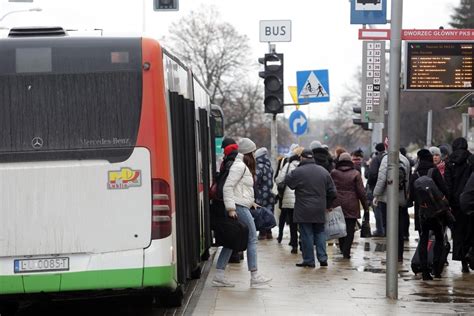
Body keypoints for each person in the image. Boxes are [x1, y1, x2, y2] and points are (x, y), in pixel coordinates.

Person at [212, 137, 271, 287]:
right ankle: (254, 275)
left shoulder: (240, 165)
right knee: (252, 238)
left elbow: (239, 189)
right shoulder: (240, 166)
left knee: (231, 241)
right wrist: (231, 208)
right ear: (248, 153)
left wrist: (250, 202)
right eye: (252, 152)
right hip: (238, 207)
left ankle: (219, 275)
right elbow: (228, 187)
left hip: (241, 205)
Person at [285, 149, 337, 268]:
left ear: (302, 158)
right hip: (319, 208)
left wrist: (298, 167)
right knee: (320, 233)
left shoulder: (298, 171)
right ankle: (323, 258)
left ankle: (309, 260)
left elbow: (288, 180)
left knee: (306, 234)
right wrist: (327, 205)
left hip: (303, 209)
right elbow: (333, 192)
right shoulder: (323, 171)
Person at [409, 149, 449, 280]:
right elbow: (444, 189)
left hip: (422, 213)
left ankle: (425, 272)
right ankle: (436, 269)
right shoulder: (434, 171)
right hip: (437, 212)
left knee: (423, 239)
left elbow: (411, 197)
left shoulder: (415, 174)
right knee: (439, 238)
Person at [373, 149, 410, 262]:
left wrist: (376, 194)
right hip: (400, 199)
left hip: (387, 199)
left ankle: (391, 255)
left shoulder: (386, 159)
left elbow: (382, 179)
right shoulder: (405, 160)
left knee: (389, 228)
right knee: (399, 229)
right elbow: (407, 181)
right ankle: (399, 255)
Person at [331, 152, 369, 259]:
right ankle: (346, 252)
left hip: (337, 203)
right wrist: (365, 206)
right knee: (350, 229)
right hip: (351, 204)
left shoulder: (334, 173)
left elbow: (330, 189)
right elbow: (361, 192)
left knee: (340, 228)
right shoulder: (355, 173)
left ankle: (343, 248)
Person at [444, 137, 474, 273]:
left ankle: (463, 261)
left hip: (456, 204)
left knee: (458, 232)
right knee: (471, 231)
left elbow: (448, 185)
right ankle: (471, 255)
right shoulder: (471, 159)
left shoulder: (449, 162)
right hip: (471, 201)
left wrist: (449, 202)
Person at [275, 146, 303, 253]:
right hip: (302, 199)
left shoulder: (288, 165)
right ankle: (302, 242)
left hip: (289, 199)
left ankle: (294, 245)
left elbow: (278, 179)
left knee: (292, 223)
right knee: (302, 223)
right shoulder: (304, 166)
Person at [254, 147, 275, 240]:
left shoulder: (259, 167)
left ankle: (262, 233)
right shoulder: (269, 166)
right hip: (270, 194)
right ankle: (269, 232)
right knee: (268, 212)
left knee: (261, 213)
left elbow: (255, 180)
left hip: (261, 194)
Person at [367, 143, 386, 237]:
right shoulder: (389, 158)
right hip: (389, 188)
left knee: (377, 209)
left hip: (377, 187)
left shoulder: (376, 159)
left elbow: (372, 174)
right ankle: (387, 229)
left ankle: (380, 230)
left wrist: (370, 185)